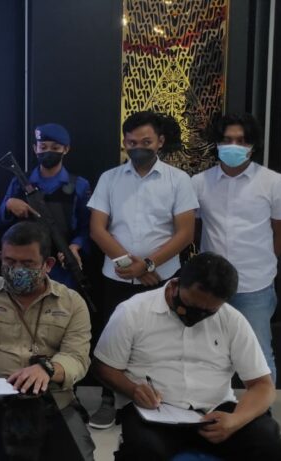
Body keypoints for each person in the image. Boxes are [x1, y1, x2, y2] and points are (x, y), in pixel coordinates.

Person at [93, 253, 281, 460]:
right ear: (176, 284)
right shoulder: (133, 311)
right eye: (191, 305)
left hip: (216, 411)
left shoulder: (232, 319)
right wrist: (133, 389)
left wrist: (236, 420)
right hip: (155, 411)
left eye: (208, 311)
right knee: (143, 451)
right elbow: (104, 367)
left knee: (278, 451)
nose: (197, 315)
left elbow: (262, 385)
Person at [86, 111, 199, 428]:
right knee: (111, 339)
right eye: (132, 142)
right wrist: (132, 266)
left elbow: (185, 233)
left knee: (160, 340)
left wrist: (148, 264)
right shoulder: (110, 178)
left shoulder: (179, 180)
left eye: (146, 142)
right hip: (117, 275)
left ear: (160, 141)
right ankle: (109, 400)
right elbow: (97, 229)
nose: (138, 148)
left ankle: (157, 399)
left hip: (162, 277)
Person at [0, 221, 94, 460]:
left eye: (27, 264)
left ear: (48, 264)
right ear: (0, 257)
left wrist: (48, 369)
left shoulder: (72, 302)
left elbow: (77, 357)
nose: (17, 269)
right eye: (10, 261)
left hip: (52, 401)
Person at [192, 114, 281, 383]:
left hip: (254, 285)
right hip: (209, 284)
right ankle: (211, 402)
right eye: (227, 140)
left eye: (241, 140)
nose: (234, 146)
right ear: (217, 143)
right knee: (207, 353)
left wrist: (263, 257)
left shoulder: (274, 183)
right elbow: (194, 227)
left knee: (258, 353)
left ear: (252, 145)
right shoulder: (199, 183)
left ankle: (262, 406)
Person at [0, 123, 92, 288]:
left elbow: (86, 227)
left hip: (62, 266)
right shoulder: (20, 182)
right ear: (35, 148)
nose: (48, 152)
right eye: (43, 147)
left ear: (66, 149)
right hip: (24, 266)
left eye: (55, 148)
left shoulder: (79, 185)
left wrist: (75, 246)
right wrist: (9, 205)